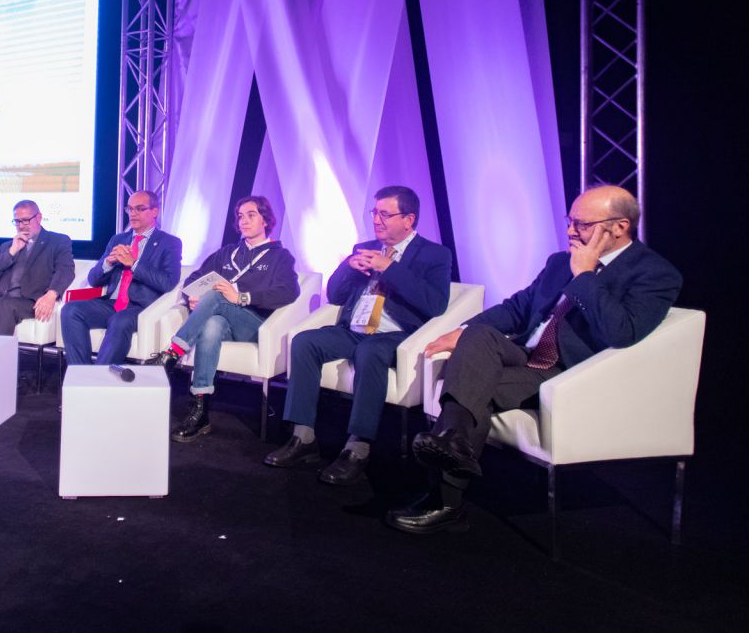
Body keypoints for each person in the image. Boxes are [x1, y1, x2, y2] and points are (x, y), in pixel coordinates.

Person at [386, 185, 682, 534]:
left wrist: (585, 275)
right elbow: (518, 308)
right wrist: (461, 330)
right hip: (527, 353)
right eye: (569, 221)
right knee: (477, 337)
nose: (570, 231)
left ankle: (445, 501)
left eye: (582, 224)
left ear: (619, 227)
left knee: (474, 387)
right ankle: (454, 443)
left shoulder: (654, 274)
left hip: (570, 373)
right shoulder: (559, 262)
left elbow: (622, 332)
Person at [263, 186, 452, 485]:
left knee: (371, 352)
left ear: (408, 219)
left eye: (385, 214)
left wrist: (390, 268)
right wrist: (348, 266)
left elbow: (434, 303)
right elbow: (336, 296)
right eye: (375, 213)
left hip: (396, 335)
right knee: (304, 341)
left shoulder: (434, 254)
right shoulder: (365, 246)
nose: (377, 220)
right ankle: (303, 437)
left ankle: (357, 447)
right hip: (354, 329)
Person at [146, 196, 300, 442]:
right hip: (223, 321)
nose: (244, 221)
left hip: (255, 324)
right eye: (240, 216)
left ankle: (171, 354)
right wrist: (194, 298)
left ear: (265, 220)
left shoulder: (279, 256)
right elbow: (194, 278)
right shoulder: (227, 253)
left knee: (218, 295)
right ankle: (201, 410)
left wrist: (242, 297)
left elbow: (288, 292)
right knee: (211, 325)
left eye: (251, 215)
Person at [60, 190, 182, 367]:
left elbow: (168, 282)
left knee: (120, 320)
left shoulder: (169, 242)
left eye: (139, 209)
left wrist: (134, 264)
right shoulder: (118, 239)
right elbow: (94, 279)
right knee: (71, 310)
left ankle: (99, 380)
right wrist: (108, 263)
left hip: (141, 307)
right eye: (130, 209)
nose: (133, 214)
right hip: (112, 303)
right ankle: (80, 375)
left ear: (154, 211)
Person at [0, 200, 75, 336]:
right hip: (2, 299)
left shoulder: (57, 241)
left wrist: (51, 294)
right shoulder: (8, 246)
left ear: (38, 217)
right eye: (17, 221)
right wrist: (12, 251)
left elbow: (65, 270)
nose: (21, 226)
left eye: (25, 221)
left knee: (5, 305)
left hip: (31, 301)